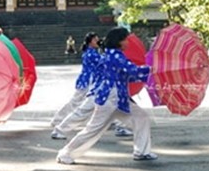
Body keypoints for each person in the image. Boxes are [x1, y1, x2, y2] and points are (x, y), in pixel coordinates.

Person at [56, 27, 156, 164]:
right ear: (119, 41)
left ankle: (142, 151)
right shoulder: (115, 55)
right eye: (126, 39)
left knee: (141, 118)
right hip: (110, 98)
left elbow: (127, 76)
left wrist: (149, 73)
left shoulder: (113, 54)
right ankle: (65, 153)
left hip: (118, 98)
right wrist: (152, 69)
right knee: (92, 129)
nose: (128, 42)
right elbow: (132, 70)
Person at [50, 32, 132, 139]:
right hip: (91, 83)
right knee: (79, 106)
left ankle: (119, 125)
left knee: (113, 106)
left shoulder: (98, 53)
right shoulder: (92, 54)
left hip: (100, 85)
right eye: (95, 40)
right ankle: (59, 124)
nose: (97, 41)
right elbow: (107, 64)